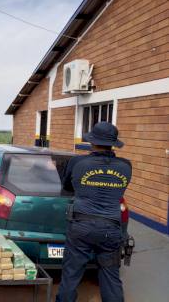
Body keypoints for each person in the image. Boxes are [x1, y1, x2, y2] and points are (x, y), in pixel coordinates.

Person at [56, 122, 132, 302]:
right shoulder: (126, 166)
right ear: (113, 143)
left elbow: (67, 187)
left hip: (81, 227)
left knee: (71, 275)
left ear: (92, 141)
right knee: (110, 277)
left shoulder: (78, 162)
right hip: (111, 229)